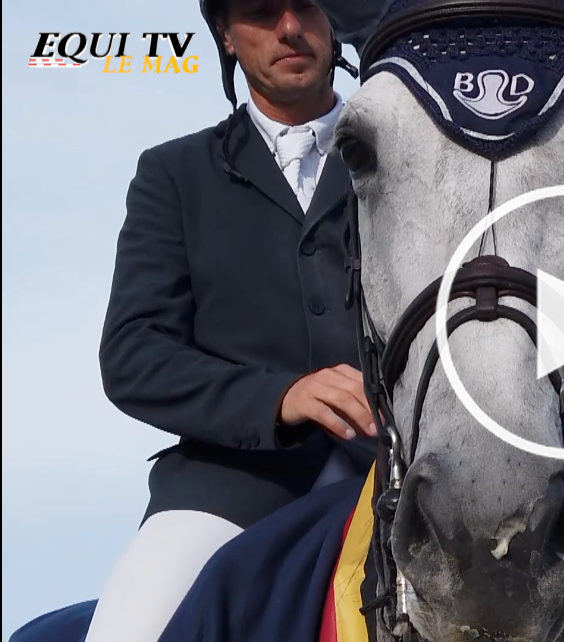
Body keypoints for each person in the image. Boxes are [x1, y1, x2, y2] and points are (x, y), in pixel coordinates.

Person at [83, 1, 379, 641]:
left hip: (395, 472)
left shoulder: (410, 160)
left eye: (306, 5)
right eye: (261, 11)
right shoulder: (173, 173)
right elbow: (134, 355)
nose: (290, 27)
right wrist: (279, 398)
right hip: (228, 487)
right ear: (224, 35)